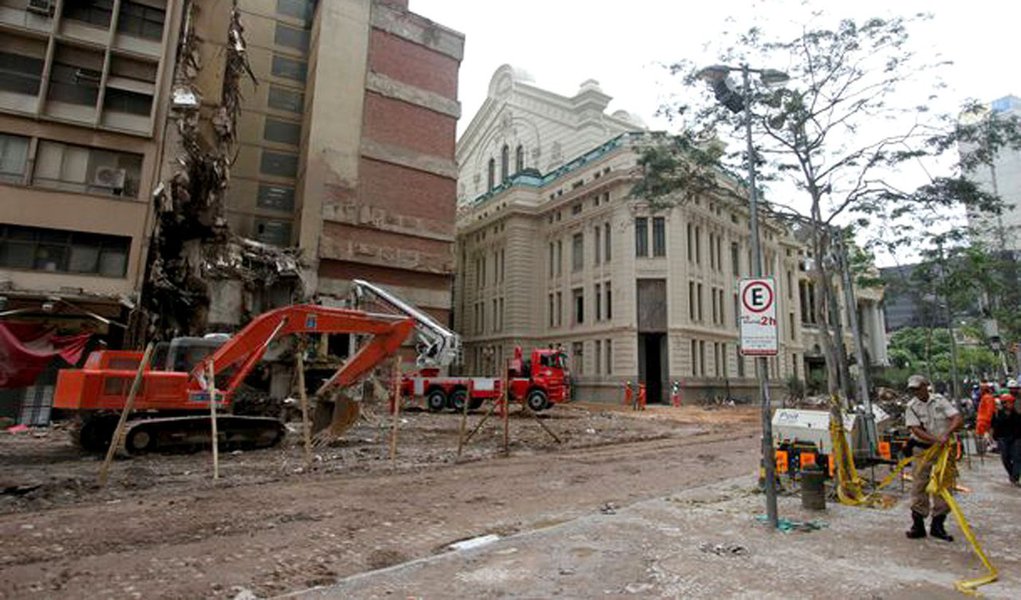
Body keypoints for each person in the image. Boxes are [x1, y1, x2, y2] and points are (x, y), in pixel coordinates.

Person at [904, 374, 964, 541]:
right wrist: (936, 439)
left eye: (918, 388)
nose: (916, 392)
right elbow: (915, 429)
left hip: (943, 450)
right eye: (913, 389)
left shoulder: (940, 401)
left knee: (943, 484)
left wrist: (947, 433)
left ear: (926, 386)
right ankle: (918, 524)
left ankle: (938, 524)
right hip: (922, 450)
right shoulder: (912, 407)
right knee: (919, 485)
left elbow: (957, 418)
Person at [991, 392, 1021, 486]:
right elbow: (994, 426)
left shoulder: (1017, 414)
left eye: (1011, 403)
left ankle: (1015, 477)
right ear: (1004, 404)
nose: (1010, 405)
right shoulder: (997, 414)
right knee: (1005, 458)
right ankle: (1012, 474)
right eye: (1008, 403)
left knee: (1017, 458)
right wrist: (993, 437)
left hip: (1016, 438)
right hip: (1002, 438)